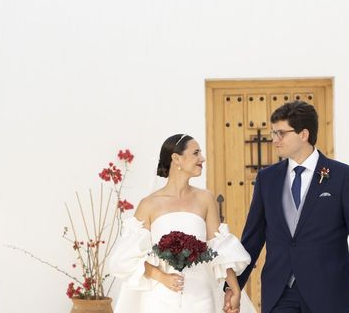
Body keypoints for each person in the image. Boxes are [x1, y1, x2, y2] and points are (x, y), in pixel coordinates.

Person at [228, 101, 349, 313]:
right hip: (280, 292)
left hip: (328, 292)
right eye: (273, 134)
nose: (275, 140)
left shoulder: (343, 177)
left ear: (304, 134)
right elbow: (252, 239)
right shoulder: (267, 179)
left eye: (281, 133)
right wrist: (233, 287)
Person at [109, 134, 255, 313]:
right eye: (196, 153)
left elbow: (219, 247)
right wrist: (161, 277)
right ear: (176, 158)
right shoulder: (149, 204)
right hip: (159, 296)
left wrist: (234, 289)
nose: (202, 158)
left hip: (200, 295)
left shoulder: (205, 199)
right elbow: (127, 257)